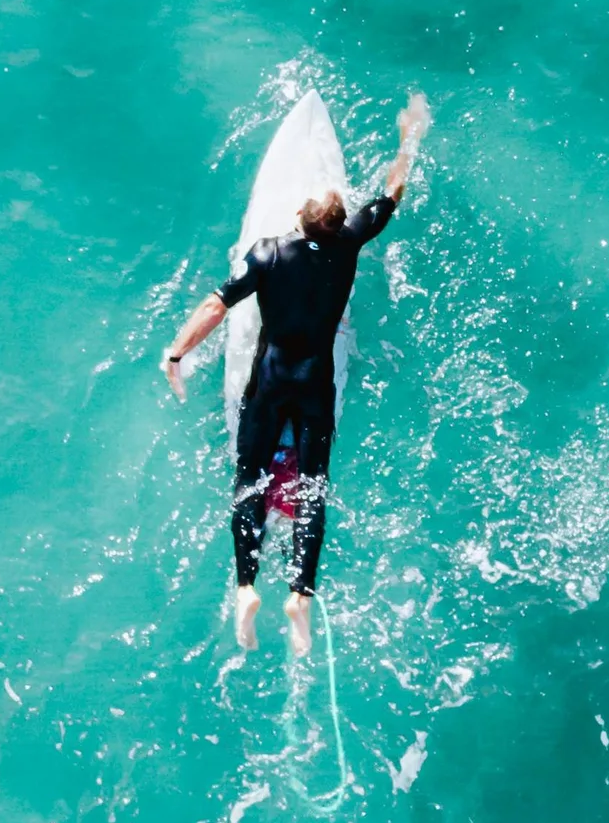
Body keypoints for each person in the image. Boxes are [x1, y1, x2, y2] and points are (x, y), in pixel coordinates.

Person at [163, 92, 430, 654]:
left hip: (270, 381)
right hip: (316, 385)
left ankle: (244, 591)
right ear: (337, 224)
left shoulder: (269, 253)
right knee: (312, 489)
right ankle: (300, 598)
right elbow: (390, 195)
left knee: (248, 482)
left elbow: (216, 307)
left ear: (299, 219)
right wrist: (409, 138)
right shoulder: (352, 240)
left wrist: (177, 354)